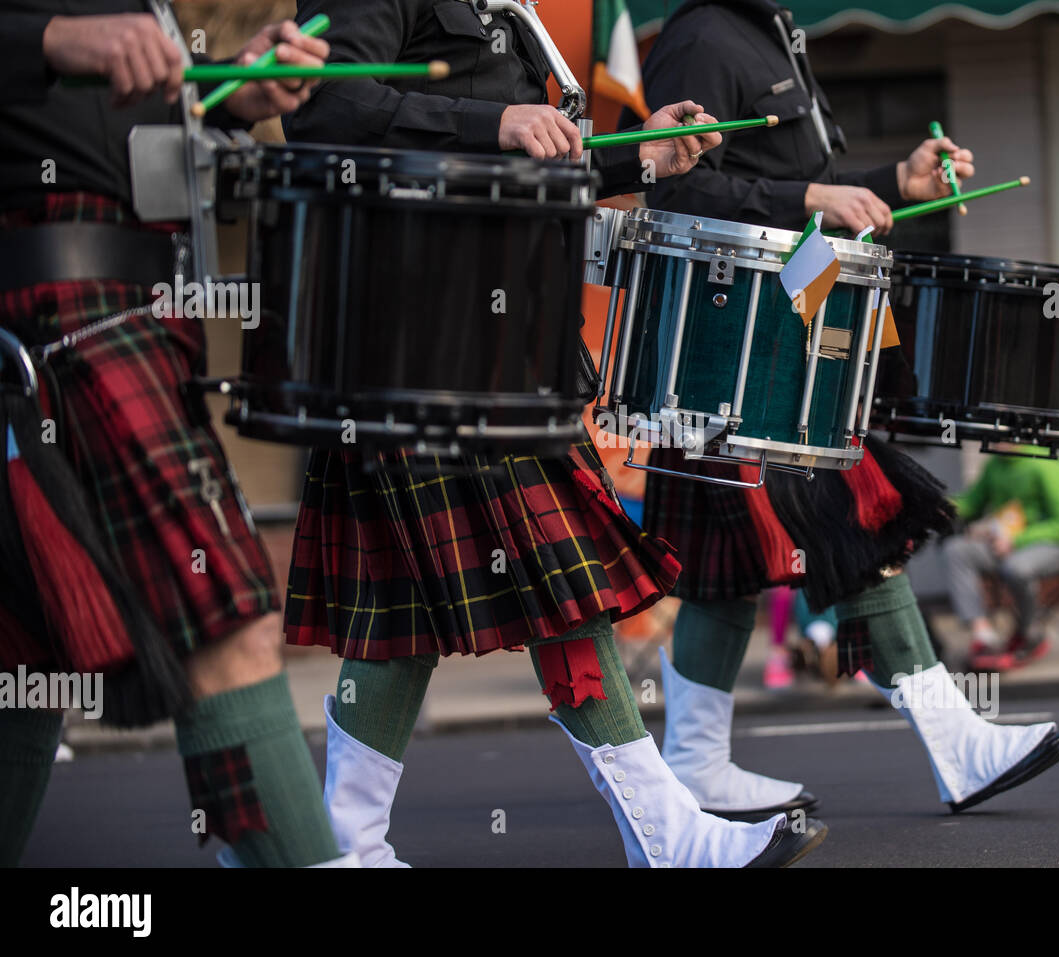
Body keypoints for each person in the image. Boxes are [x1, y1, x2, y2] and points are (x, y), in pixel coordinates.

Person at [278, 0, 825, 868]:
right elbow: (320, 107)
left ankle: (345, 847)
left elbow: (535, 161)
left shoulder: (509, 14)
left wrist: (638, 153)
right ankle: (668, 835)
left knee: (401, 613)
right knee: (564, 582)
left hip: (495, 332)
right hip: (417, 332)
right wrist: (492, 118)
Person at [623, 0, 1059, 820]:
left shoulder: (768, 31)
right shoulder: (699, 38)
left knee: (723, 570)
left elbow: (801, 181)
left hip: (782, 336)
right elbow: (675, 188)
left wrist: (889, 184)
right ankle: (956, 742)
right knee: (854, 519)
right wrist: (810, 197)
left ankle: (693, 759)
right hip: (739, 352)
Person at [0, 1, 352, 867]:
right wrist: (46, 38)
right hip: (58, 290)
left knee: (26, 656)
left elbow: (111, 122)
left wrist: (233, 92)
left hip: (119, 284)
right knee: (225, 626)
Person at [944, 446, 1059, 671]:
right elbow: (971, 503)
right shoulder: (996, 464)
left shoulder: (1049, 463)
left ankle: (1029, 633)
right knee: (957, 550)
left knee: (1017, 567)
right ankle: (983, 636)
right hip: (1005, 544)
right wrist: (935, 503)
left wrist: (1017, 540)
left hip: (1058, 546)